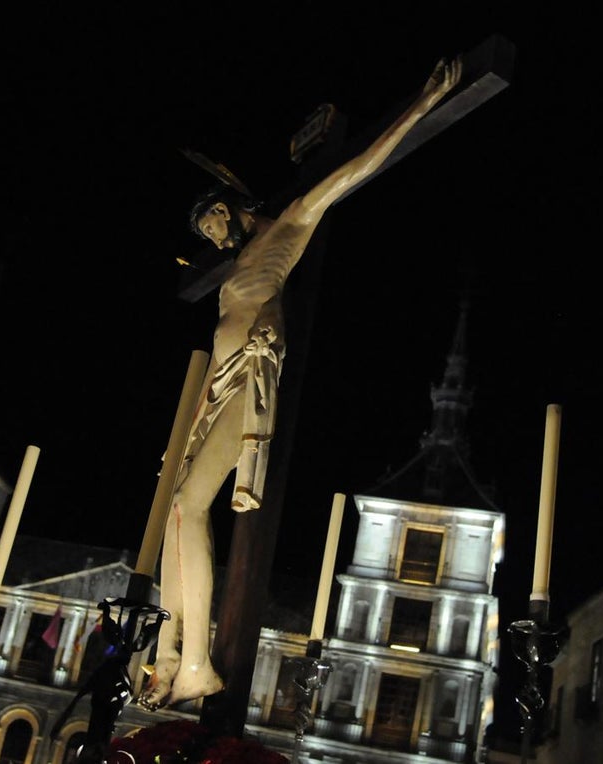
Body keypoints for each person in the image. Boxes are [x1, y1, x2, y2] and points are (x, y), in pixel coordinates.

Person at [139, 57, 462, 710]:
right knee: (173, 508)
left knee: (189, 508)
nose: (214, 238)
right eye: (206, 234)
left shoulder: (287, 226)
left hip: (250, 376)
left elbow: (356, 168)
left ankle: (196, 662)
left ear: (231, 209)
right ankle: (169, 652)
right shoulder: (235, 264)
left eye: (214, 225)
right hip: (216, 388)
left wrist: (423, 101)